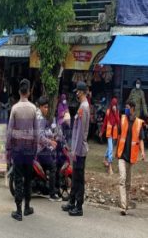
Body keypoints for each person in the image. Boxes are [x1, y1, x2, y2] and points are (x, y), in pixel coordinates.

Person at [6, 79, 38, 221]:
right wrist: (35, 149)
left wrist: (8, 148)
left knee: (18, 179)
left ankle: (18, 211)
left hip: (17, 150)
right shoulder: (33, 109)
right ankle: (27, 208)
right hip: (29, 150)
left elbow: (9, 131)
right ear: (29, 92)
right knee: (28, 180)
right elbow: (37, 132)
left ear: (19, 92)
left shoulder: (14, 109)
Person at [62, 81, 90, 217]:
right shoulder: (82, 106)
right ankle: (72, 202)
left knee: (78, 178)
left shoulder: (84, 107)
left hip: (80, 150)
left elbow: (81, 133)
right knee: (75, 177)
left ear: (82, 92)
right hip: (77, 149)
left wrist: (75, 151)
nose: (76, 94)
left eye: (78, 91)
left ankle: (79, 206)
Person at [116, 100, 146, 216]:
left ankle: (126, 204)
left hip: (131, 157)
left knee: (128, 183)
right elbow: (119, 136)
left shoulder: (138, 123)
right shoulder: (123, 119)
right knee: (122, 179)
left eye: (128, 107)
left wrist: (143, 152)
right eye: (125, 107)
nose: (126, 109)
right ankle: (123, 207)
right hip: (122, 156)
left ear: (133, 109)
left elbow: (141, 139)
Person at [36, 96, 60, 201]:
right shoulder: (41, 119)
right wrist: (51, 142)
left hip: (33, 148)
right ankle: (52, 194)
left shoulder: (36, 115)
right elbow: (40, 137)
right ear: (40, 107)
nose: (47, 109)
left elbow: (43, 132)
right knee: (53, 166)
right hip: (40, 149)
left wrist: (50, 136)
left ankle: (43, 187)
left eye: (47, 107)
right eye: (45, 107)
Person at [99, 97, 120, 175]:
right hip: (108, 133)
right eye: (113, 104)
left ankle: (104, 158)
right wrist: (101, 131)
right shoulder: (108, 112)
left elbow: (118, 122)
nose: (114, 106)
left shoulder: (117, 112)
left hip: (114, 133)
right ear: (111, 104)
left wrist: (115, 113)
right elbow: (104, 123)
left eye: (115, 104)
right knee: (111, 148)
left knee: (109, 147)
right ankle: (110, 166)